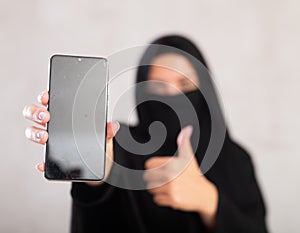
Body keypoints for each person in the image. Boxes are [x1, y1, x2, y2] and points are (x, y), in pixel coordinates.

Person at [23, 35, 269, 233]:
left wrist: (210, 202)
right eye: (158, 87)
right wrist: (97, 182)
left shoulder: (237, 159)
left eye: (184, 86)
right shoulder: (117, 144)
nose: (173, 99)